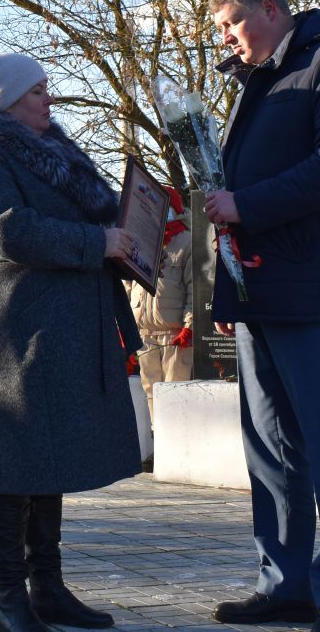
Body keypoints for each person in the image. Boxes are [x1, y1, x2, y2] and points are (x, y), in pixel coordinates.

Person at [202, 0, 320, 632]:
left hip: (317, 291)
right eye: (220, 28)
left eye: (233, 24)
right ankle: (286, 584)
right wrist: (228, 282)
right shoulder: (255, 81)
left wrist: (244, 204)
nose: (227, 39)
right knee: (271, 447)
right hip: (261, 293)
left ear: (271, 9)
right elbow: (231, 189)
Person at [0, 51, 142, 632]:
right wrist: (97, 243)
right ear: (5, 101)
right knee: (15, 464)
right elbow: (6, 229)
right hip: (15, 328)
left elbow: (96, 220)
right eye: (37, 92)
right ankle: (11, 597)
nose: (48, 101)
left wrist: (125, 242)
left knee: (48, 457)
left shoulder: (49, 152)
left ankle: (48, 587)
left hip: (59, 328)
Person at [128, 188, 195, 473]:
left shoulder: (187, 241)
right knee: (151, 392)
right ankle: (160, 449)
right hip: (145, 333)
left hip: (173, 335)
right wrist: (127, 327)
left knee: (174, 392)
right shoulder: (142, 241)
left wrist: (190, 326)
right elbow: (128, 284)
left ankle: (178, 451)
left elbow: (196, 288)